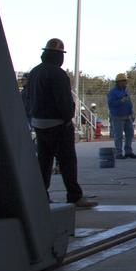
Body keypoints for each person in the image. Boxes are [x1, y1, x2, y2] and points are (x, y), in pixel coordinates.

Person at [23, 38, 97, 208]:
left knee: (44, 161)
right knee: (67, 161)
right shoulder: (58, 73)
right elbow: (63, 101)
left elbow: (27, 98)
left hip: (38, 123)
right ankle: (74, 196)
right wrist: (67, 118)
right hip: (57, 124)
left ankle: (41, 196)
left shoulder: (34, 72)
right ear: (58, 56)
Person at [106, 72, 136, 159]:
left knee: (130, 134)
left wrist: (131, 113)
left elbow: (129, 102)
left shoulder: (125, 90)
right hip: (117, 117)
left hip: (127, 116)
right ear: (118, 82)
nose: (125, 83)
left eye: (125, 81)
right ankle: (118, 153)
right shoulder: (112, 92)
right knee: (118, 135)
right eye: (123, 81)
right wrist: (121, 101)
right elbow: (111, 104)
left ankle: (128, 151)